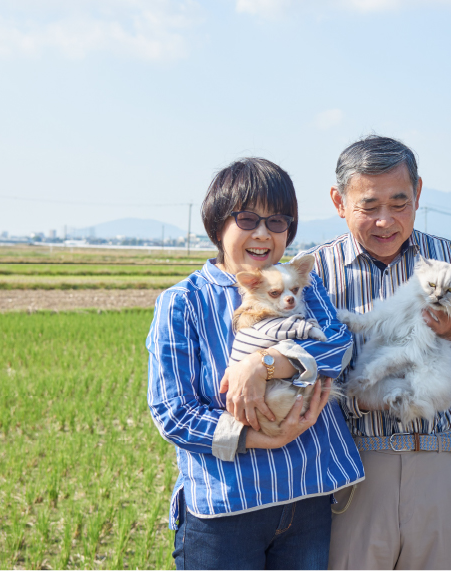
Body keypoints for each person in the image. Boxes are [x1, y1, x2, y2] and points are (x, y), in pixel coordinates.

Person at [146, 158, 364, 570]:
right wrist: (259, 439)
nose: (263, 233)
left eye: (278, 221)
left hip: (307, 497)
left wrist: (267, 362)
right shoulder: (183, 302)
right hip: (226, 512)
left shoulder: (302, 287)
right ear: (218, 224)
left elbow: (338, 348)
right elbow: (173, 412)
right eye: (247, 219)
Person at [299, 136, 451, 570]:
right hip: (351, 470)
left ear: (419, 194)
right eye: (369, 206)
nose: (385, 221)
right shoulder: (314, 272)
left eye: (399, 203)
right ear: (339, 201)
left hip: (439, 462)